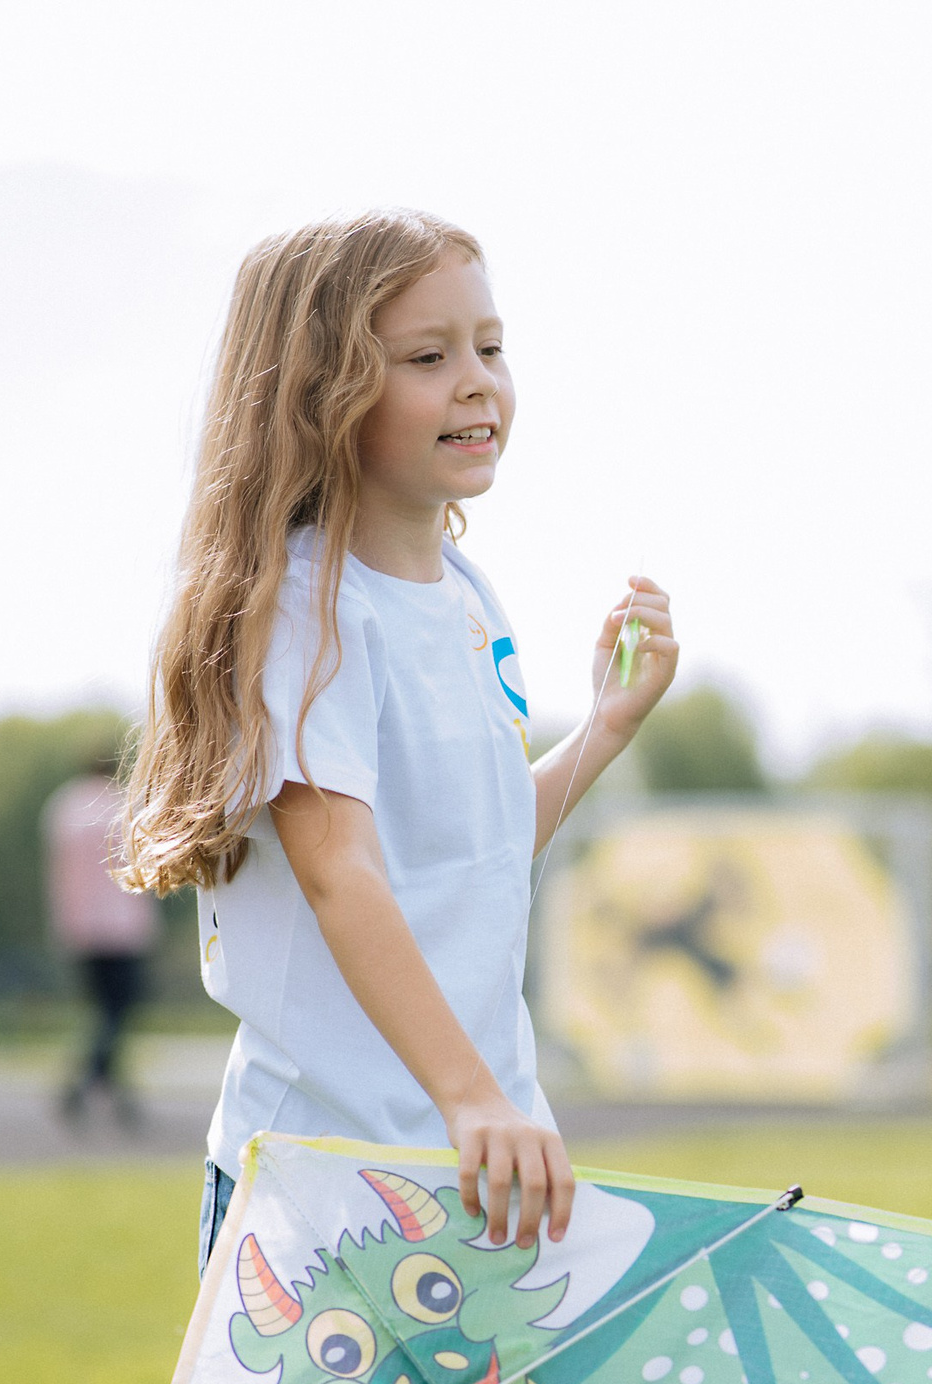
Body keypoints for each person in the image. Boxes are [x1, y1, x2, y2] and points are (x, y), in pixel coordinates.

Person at [119, 210, 677, 1271]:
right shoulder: (301, 609)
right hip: (323, 1184)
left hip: (473, 1168)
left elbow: (473, 851)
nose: (477, 381)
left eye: (491, 347)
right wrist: (469, 1096)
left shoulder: (467, 594)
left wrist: (602, 732)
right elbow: (342, 873)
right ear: (322, 392)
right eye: (428, 356)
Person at [44, 752, 160, 1128]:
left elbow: (59, 873)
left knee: (103, 1013)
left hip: (81, 930)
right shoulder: (123, 806)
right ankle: (84, 1084)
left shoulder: (63, 808)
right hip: (122, 929)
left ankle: (114, 1091)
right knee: (117, 1012)